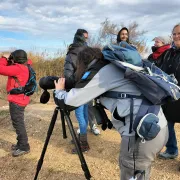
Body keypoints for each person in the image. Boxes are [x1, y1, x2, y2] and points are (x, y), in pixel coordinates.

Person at [53, 46, 168, 180]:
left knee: (131, 173)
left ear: (83, 63)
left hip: (141, 136)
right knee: (140, 173)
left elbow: (69, 101)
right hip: (157, 126)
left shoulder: (102, 73)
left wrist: (59, 91)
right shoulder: (114, 67)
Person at [63, 29, 100, 153]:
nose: (86, 40)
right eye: (86, 38)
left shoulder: (72, 53)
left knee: (80, 117)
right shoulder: (90, 53)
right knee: (84, 114)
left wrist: (66, 89)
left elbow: (68, 77)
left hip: (78, 90)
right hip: (88, 89)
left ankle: (83, 145)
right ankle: (82, 137)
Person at [0, 50, 31, 157]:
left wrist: (4, 58)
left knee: (18, 124)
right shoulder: (25, 66)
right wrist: (11, 59)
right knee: (17, 123)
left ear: (16, 59)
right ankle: (20, 143)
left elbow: (1, 69)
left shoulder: (18, 68)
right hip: (21, 99)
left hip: (17, 101)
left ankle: (24, 146)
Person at [157, 23, 180, 159]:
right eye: (174, 33)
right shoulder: (168, 53)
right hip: (170, 95)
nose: (176, 36)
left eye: (179, 33)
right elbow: (161, 70)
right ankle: (172, 150)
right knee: (167, 124)